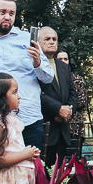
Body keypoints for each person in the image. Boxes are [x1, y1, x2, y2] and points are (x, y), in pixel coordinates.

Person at [0, 0, 54, 150]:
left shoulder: (28, 39)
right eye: (2, 12)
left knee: (30, 170)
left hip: (27, 120)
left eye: (11, 13)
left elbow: (48, 78)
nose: (7, 17)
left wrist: (38, 63)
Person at [37, 26, 78, 164]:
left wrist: (67, 111)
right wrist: (57, 110)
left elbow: (73, 92)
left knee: (60, 177)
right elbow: (36, 93)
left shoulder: (63, 66)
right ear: (37, 42)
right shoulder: (33, 64)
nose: (52, 42)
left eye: (54, 39)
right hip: (44, 127)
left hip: (63, 129)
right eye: (47, 39)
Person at [56, 48, 87, 139]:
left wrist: (66, 110)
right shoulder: (50, 78)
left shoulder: (77, 79)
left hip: (75, 127)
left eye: (66, 59)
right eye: (60, 59)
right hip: (56, 126)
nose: (63, 62)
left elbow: (82, 101)